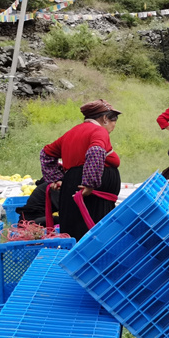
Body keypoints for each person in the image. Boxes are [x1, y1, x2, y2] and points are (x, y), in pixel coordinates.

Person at [40, 100, 122, 240]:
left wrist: (55, 178)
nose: (114, 124)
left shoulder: (72, 132)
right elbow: (96, 151)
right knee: (94, 233)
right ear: (104, 118)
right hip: (91, 194)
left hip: (72, 183)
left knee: (76, 228)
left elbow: (46, 153)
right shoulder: (99, 131)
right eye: (114, 118)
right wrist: (89, 183)